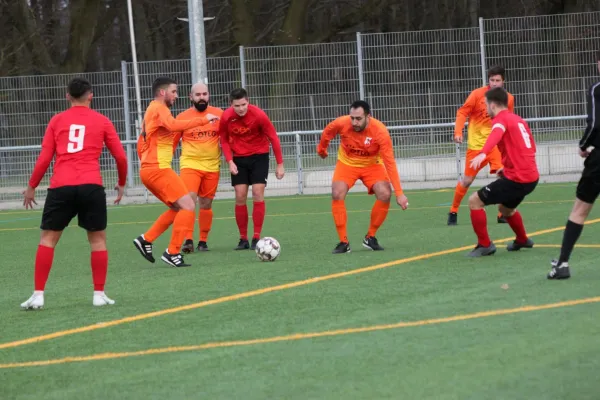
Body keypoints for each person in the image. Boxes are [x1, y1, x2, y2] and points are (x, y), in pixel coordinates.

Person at [20, 77, 128, 309]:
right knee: (97, 240)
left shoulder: (57, 120)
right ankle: (98, 294)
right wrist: (121, 182)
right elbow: (120, 156)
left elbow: (45, 159)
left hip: (61, 185)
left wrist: (31, 186)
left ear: (67, 96)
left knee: (48, 240)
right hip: (91, 185)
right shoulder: (102, 120)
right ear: (91, 95)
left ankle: (38, 294)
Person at [132, 77, 219, 267]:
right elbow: (172, 126)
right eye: (174, 91)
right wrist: (202, 120)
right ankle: (172, 252)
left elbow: (142, 141)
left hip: (152, 169)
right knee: (188, 205)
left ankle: (146, 239)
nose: (176, 95)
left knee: (179, 207)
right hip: (158, 169)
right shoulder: (159, 108)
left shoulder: (153, 110)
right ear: (163, 92)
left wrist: (146, 161)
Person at [317, 100, 409, 254]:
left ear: (368, 117)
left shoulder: (380, 132)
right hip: (347, 164)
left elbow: (389, 162)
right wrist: (322, 149)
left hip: (372, 165)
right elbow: (327, 132)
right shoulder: (341, 123)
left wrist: (399, 193)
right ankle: (343, 242)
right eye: (352, 118)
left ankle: (370, 237)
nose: (354, 122)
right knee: (337, 192)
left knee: (385, 193)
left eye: (358, 118)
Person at [467, 87, 539, 257]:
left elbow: (496, 133)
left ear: (492, 105)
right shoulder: (518, 120)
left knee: (474, 201)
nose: (485, 108)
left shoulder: (500, 120)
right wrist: (507, 168)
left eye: (485, 105)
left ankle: (485, 245)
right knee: (505, 209)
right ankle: (522, 239)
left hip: (517, 179)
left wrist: (484, 152)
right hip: (530, 177)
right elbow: (530, 147)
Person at [547, 50, 600, 279]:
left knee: (579, 211)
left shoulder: (597, 89)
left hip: (599, 160)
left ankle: (562, 265)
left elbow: (595, 123)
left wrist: (583, 145)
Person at [448, 65, 515, 226]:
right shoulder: (477, 94)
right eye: (492, 80)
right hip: (476, 147)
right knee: (467, 180)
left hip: (496, 147)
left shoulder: (509, 98)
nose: (494, 83)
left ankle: (502, 214)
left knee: (505, 177)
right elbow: (462, 112)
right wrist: (458, 131)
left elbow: (509, 120)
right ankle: (453, 210)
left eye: (497, 80)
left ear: (503, 82)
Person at [219, 88, 284, 250]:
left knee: (257, 193)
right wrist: (229, 161)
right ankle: (243, 239)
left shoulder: (259, 115)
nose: (241, 109)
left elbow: (273, 137)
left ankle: (256, 237)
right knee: (240, 195)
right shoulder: (226, 117)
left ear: (248, 101)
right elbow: (224, 140)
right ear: (230, 105)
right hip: (239, 159)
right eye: (237, 106)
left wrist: (280, 164)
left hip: (259, 156)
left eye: (243, 104)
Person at [175, 83, 224, 253]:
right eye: (198, 94)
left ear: (208, 95)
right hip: (190, 164)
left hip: (212, 165)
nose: (201, 97)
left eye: (204, 94)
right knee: (189, 200)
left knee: (206, 203)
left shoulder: (219, 114)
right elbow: (173, 140)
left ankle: (203, 241)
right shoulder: (182, 117)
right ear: (191, 97)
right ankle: (188, 239)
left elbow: (225, 138)